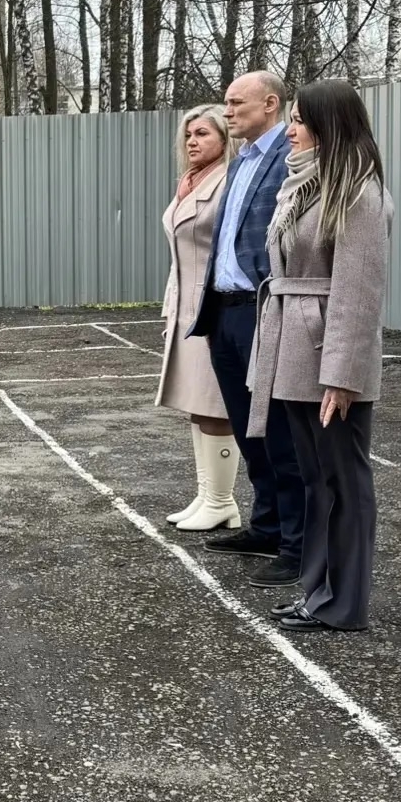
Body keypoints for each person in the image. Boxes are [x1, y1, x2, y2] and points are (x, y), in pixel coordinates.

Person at [245, 82, 392, 634]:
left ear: (330, 125)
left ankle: (343, 601)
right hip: (296, 348)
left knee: (342, 481)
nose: (291, 130)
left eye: (301, 120)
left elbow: (359, 292)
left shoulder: (358, 193)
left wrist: (343, 376)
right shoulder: (305, 186)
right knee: (316, 479)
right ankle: (318, 591)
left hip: (326, 353)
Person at [190, 70, 307, 590]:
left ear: (270, 104)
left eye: (237, 102)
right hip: (226, 311)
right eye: (227, 102)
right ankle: (266, 526)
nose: (228, 110)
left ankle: (297, 543)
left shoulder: (290, 156)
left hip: (265, 309)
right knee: (247, 427)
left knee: (279, 431)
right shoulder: (241, 161)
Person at [156, 105, 241, 531]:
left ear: (225, 138)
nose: (192, 141)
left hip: (213, 308)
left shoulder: (229, 181)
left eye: (203, 133)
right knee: (196, 403)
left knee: (215, 404)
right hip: (185, 306)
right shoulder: (190, 181)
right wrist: (170, 308)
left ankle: (222, 500)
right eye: (189, 134)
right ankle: (208, 495)